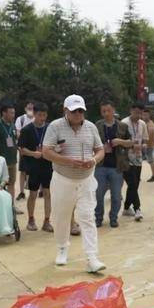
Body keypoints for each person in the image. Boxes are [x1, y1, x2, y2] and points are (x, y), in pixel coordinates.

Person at [42, 94, 106, 273]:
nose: (78, 114)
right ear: (65, 111)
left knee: (87, 217)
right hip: (63, 179)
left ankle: (92, 257)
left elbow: (100, 149)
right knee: (61, 217)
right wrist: (68, 161)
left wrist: (93, 160)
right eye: (74, 111)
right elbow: (46, 151)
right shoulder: (55, 126)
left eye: (81, 110)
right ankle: (62, 247)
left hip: (86, 180)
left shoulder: (91, 127)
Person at [95, 101, 133, 228]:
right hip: (100, 165)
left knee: (116, 195)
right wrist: (101, 148)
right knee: (98, 194)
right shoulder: (97, 126)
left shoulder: (122, 126)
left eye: (108, 110)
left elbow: (131, 142)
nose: (106, 113)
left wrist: (120, 141)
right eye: (103, 111)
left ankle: (113, 218)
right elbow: (90, 143)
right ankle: (98, 217)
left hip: (117, 166)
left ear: (113, 111)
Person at [18, 102, 54, 232]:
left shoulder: (50, 128)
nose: (42, 118)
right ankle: (31, 219)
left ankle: (47, 221)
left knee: (47, 193)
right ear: (34, 114)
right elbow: (21, 149)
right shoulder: (26, 130)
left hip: (48, 165)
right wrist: (34, 154)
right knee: (32, 194)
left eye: (44, 115)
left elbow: (54, 145)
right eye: (39, 115)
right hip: (33, 166)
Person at [121, 102, 149, 222]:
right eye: (136, 112)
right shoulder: (123, 123)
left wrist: (142, 145)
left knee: (135, 184)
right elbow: (120, 142)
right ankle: (137, 209)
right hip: (126, 159)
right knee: (132, 183)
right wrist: (131, 146)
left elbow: (145, 140)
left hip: (138, 158)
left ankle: (127, 208)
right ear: (131, 110)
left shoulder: (142, 124)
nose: (138, 115)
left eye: (140, 113)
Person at [0, 104, 22, 214]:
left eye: (14, 113)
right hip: (1, 161)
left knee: (11, 183)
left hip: (12, 160)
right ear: (4, 113)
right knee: (0, 183)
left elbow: (14, 141)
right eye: (11, 113)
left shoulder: (13, 126)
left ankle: (11, 206)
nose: (13, 115)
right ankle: (0, 206)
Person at [15, 102, 35, 201]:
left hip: (35, 148)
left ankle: (36, 190)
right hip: (24, 148)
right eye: (29, 107)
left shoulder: (37, 118)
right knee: (22, 170)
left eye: (32, 108)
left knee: (35, 170)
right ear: (25, 108)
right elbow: (17, 132)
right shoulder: (21, 119)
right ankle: (22, 191)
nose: (30, 109)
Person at [142, 108, 154, 182]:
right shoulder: (144, 123)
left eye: (146, 115)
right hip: (144, 145)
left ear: (149, 115)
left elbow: (150, 135)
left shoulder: (150, 124)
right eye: (143, 115)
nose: (144, 116)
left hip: (148, 146)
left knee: (150, 160)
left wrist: (146, 143)